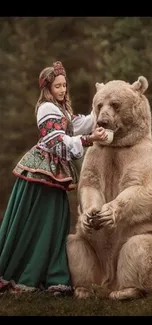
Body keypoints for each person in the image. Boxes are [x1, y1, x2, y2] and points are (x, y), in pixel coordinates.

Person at [0, 61, 107, 296]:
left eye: (64, 86)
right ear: (47, 88)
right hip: (41, 175)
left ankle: (52, 275)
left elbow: (79, 123)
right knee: (40, 220)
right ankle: (31, 273)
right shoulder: (46, 109)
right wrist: (89, 139)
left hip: (54, 176)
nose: (62, 90)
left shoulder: (62, 110)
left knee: (56, 220)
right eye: (57, 86)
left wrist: (100, 104)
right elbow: (58, 143)